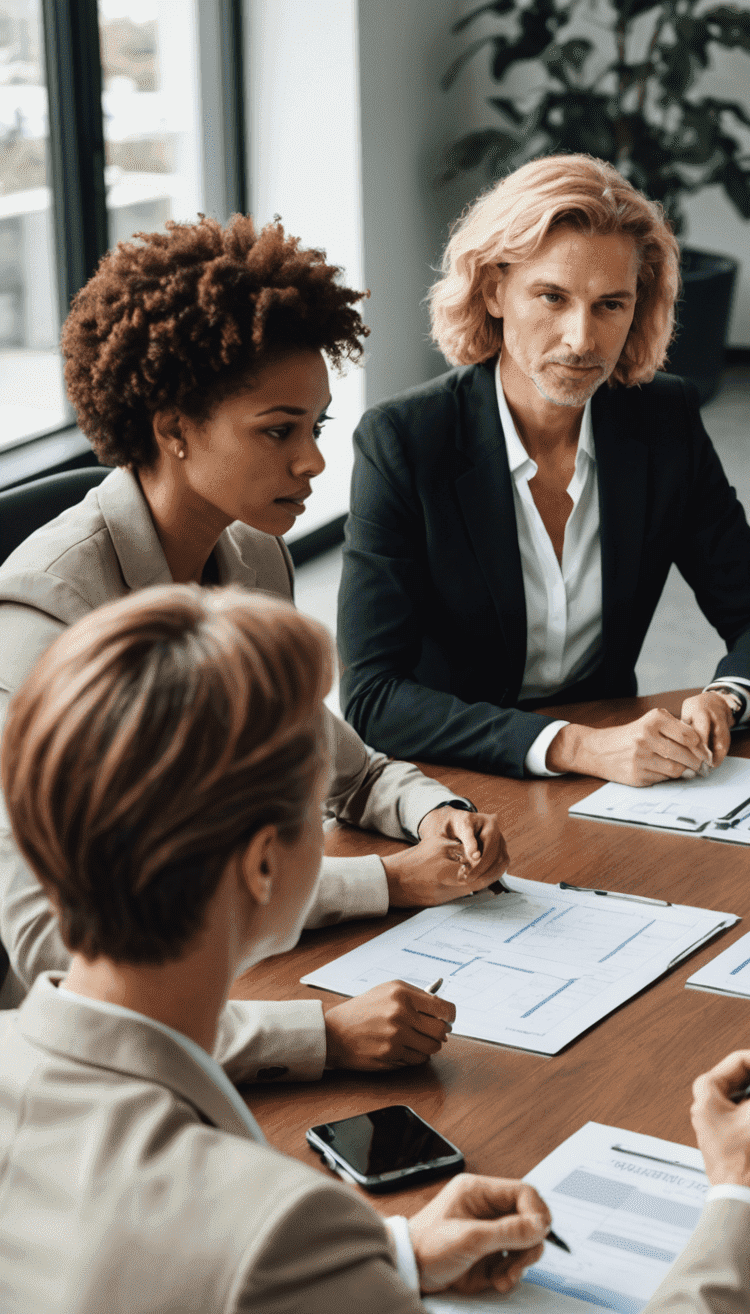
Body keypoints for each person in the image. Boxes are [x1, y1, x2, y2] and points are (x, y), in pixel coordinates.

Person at [0, 583, 750, 1314]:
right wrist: (749, 1204)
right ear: (267, 867)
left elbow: (151, 1306)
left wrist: (383, 1259)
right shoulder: (258, 1236)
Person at [0, 215, 510, 1082]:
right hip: (71, 1072)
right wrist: (325, 1028)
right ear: (173, 430)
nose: (314, 462)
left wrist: (433, 817)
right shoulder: (43, 618)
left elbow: (343, 764)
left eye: (317, 425)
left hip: (226, 958)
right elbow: (55, 956)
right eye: (279, 431)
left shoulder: (248, 553)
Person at [338, 153, 750, 787]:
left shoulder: (662, 422)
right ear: (493, 289)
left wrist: (726, 699)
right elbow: (371, 697)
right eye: (551, 297)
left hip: (619, 774)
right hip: (451, 777)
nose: (582, 339)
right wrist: (576, 747)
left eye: (610, 305)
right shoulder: (405, 441)